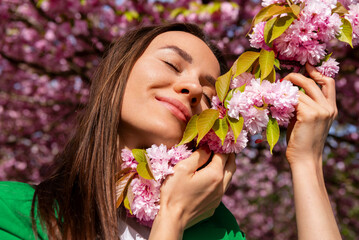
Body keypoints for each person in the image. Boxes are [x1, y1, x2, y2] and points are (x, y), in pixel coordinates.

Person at [0, 23, 341, 240]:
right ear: (116, 73)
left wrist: (306, 162)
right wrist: (171, 219)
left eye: (209, 96)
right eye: (171, 64)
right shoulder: (13, 213)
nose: (192, 87)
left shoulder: (215, 232)